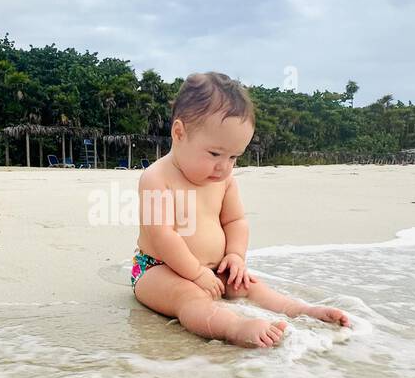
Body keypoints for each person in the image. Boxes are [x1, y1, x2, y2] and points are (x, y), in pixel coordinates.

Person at [131, 71, 351, 348]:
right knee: (189, 297)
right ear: (179, 133)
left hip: (212, 268)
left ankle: (299, 310)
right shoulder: (156, 178)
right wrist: (197, 274)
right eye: (214, 154)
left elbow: (235, 221)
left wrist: (235, 256)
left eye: (234, 156)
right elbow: (163, 236)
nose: (224, 166)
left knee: (248, 285)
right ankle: (234, 327)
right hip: (158, 269)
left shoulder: (223, 180)